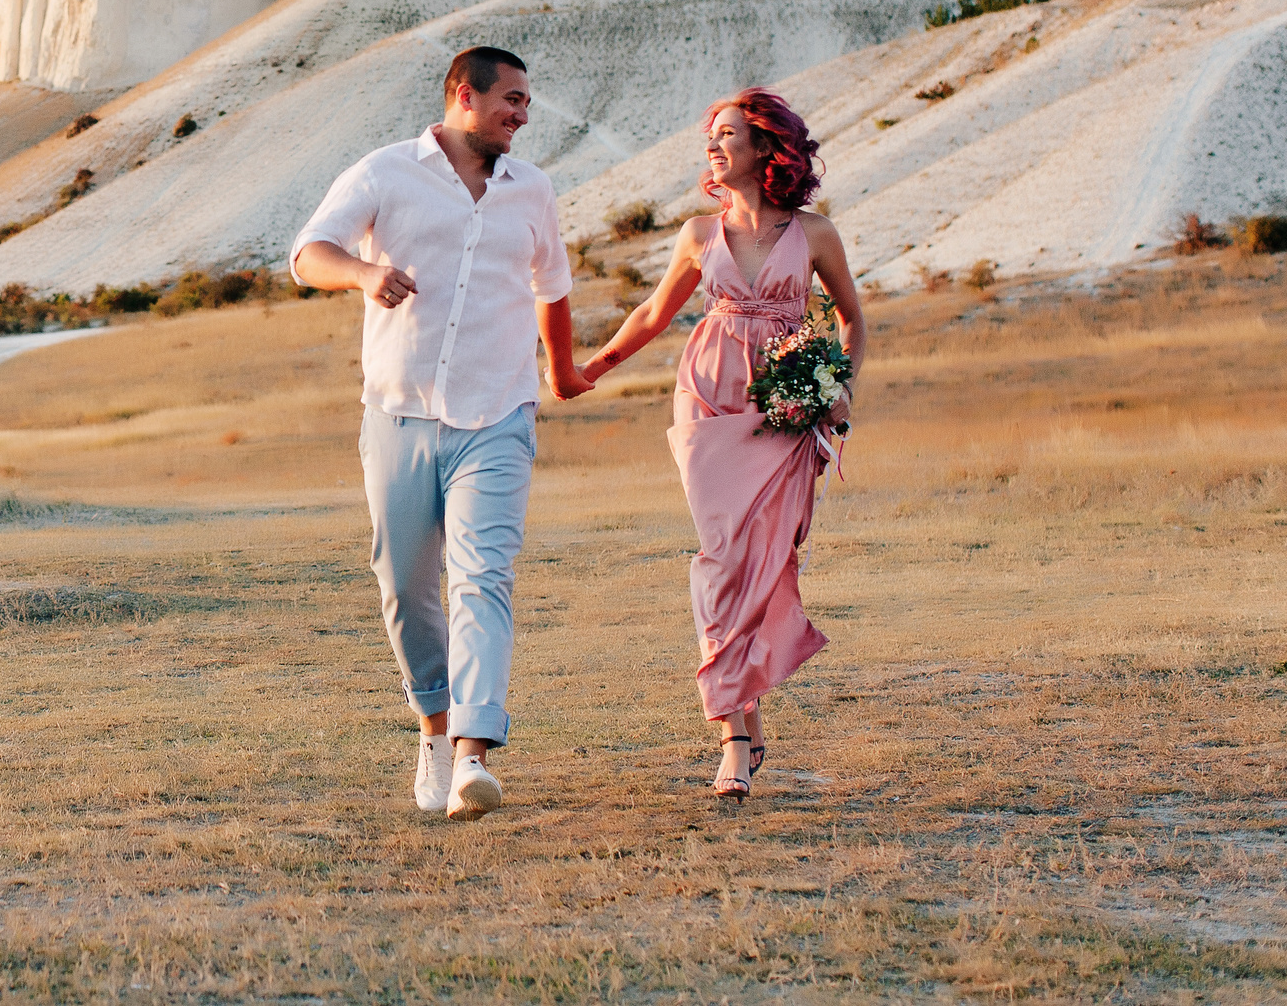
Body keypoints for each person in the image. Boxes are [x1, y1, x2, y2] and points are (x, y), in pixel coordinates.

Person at [291, 46, 589, 822]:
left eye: (527, 103)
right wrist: (364, 274)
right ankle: (433, 724)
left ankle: (472, 755)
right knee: (403, 585)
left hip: (498, 414)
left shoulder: (533, 190)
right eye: (512, 100)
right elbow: (308, 254)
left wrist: (561, 370)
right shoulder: (385, 172)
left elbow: (552, 287)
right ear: (464, 95)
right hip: (398, 412)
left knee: (483, 577)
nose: (522, 115)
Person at [577, 88, 865, 799]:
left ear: (766, 147)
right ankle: (734, 736)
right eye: (711, 135)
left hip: (786, 408)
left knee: (765, 562)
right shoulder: (697, 234)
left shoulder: (815, 233)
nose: (712, 146)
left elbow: (852, 318)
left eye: (727, 134)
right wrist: (590, 370)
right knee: (722, 560)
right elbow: (653, 312)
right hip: (708, 400)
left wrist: (839, 387)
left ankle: (746, 707)